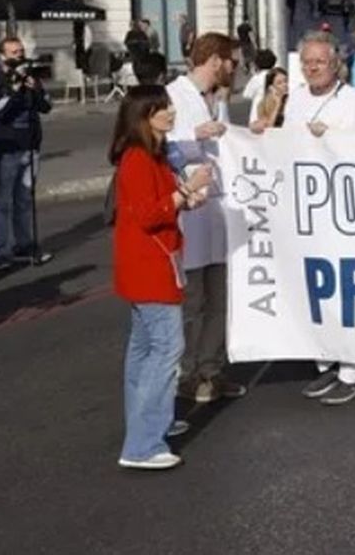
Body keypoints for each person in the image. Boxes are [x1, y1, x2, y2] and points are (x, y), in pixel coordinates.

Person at [110, 84, 212, 470]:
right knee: (167, 349)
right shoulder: (138, 158)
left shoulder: (152, 156)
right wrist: (188, 189)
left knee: (144, 350)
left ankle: (151, 423)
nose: (170, 113)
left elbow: (164, 202)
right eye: (162, 109)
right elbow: (148, 214)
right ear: (143, 117)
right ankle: (143, 443)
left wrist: (186, 196)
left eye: (168, 107)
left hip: (149, 261)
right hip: (151, 264)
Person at [286, 32, 355, 406]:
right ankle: (324, 361)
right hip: (307, 208)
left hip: (345, 208)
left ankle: (352, 368)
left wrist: (334, 138)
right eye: (306, 62)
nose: (312, 68)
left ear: (334, 64)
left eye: (319, 62)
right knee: (315, 283)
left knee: (347, 286)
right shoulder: (294, 99)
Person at [167, 33, 243, 405]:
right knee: (191, 299)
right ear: (215, 60)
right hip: (191, 208)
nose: (234, 68)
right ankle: (184, 371)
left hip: (218, 207)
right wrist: (194, 133)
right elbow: (154, 145)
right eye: (232, 62)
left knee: (219, 297)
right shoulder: (173, 95)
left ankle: (212, 370)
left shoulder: (217, 100)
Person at [0, 35, 52, 269]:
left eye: (21, 51)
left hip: (30, 147)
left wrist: (35, 90)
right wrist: (13, 90)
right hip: (6, 149)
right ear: (2, 55)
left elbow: (46, 107)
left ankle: (25, 244)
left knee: (25, 200)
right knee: (1, 202)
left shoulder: (29, 76)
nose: (19, 56)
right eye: (14, 52)